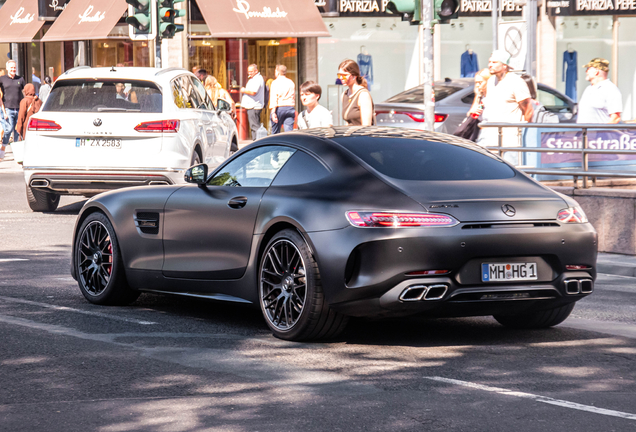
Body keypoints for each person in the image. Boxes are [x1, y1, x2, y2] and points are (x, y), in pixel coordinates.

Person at [477, 50, 533, 165]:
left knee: (512, 173)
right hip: (490, 138)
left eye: (494, 62)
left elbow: (528, 109)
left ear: (504, 65)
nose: (490, 65)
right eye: (489, 62)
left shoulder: (516, 82)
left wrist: (523, 131)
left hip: (510, 140)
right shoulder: (491, 81)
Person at [577, 58, 622, 124]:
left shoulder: (610, 89)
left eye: (588, 69)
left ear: (596, 71)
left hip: (600, 133)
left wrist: (604, 133)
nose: (586, 72)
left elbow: (615, 118)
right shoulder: (588, 89)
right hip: (584, 133)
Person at [0, 60, 26, 160]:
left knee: (17, 131)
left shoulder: (20, 79)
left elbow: (25, 91)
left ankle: (17, 154)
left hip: (19, 108)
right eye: (11, 68)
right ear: (7, 68)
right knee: (9, 129)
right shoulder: (2, 79)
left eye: (14, 67)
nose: (13, 69)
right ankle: (3, 148)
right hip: (7, 109)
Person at [338, 59, 374, 126]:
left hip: (360, 135)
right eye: (340, 75)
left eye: (344, 75)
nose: (341, 78)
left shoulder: (363, 95)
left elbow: (366, 125)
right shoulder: (344, 95)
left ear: (354, 76)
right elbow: (348, 121)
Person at [239, 64, 265, 140]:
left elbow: (253, 92)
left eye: (251, 71)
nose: (249, 73)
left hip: (254, 106)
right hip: (252, 105)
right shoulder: (253, 78)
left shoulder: (257, 79)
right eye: (248, 72)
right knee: (254, 125)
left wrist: (243, 90)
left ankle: (256, 142)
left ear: (256, 71)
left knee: (255, 126)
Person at [269, 64, 296, 134]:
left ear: (277, 72)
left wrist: (273, 112)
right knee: (289, 132)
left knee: (275, 132)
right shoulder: (291, 82)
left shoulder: (275, 82)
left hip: (279, 108)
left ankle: (275, 144)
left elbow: (274, 98)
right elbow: (293, 96)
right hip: (290, 107)